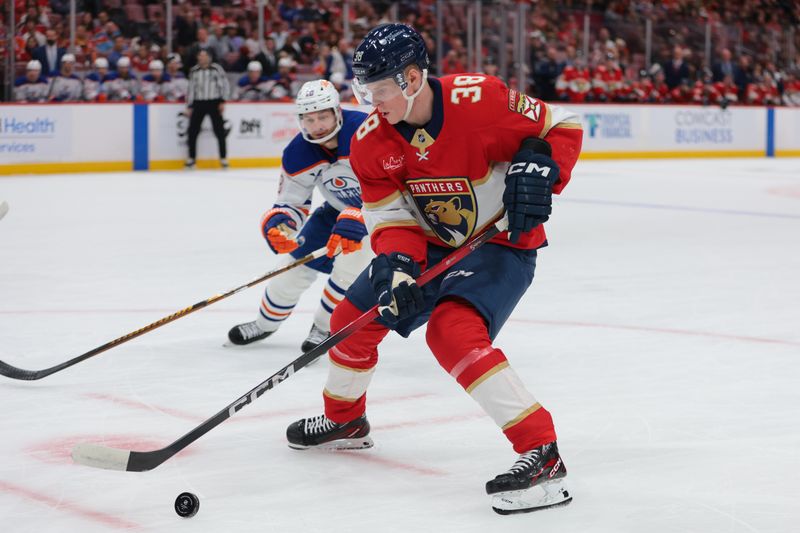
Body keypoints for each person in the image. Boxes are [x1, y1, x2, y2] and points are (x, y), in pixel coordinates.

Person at [285, 24, 583, 515]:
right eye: (365, 90)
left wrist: (541, 165)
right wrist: (397, 265)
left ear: (412, 77)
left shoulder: (481, 99)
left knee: (452, 332)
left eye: (379, 89)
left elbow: (562, 125)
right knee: (349, 322)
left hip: (499, 241)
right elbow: (389, 214)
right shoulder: (369, 141)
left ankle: (543, 455)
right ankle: (345, 421)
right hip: (429, 245)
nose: (371, 100)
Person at [228, 80, 372, 355]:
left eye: (322, 116)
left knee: (348, 271)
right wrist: (280, 222)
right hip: (335, 211)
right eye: (309, 118)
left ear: (336, 112)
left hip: (381, 214)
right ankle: (265, 324)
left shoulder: (366, 130)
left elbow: (397, 183)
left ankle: (324, 327)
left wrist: (363, 214)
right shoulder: (298, 152)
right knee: (293, 269)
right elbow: (291, 201)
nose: (316, 125)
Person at [186, 49, 230, 169]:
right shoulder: (194, 71)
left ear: (209, 57)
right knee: (192, 131)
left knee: (219, 131)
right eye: (200, 56)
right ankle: (191, 159)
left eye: (205, 56)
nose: (202, 58)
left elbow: (224, 84)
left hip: (214, 102)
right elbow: (190, 89)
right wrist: (189, 105)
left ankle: (223, 158)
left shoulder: (216, 69)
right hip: (198, 102)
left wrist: (222, 100)